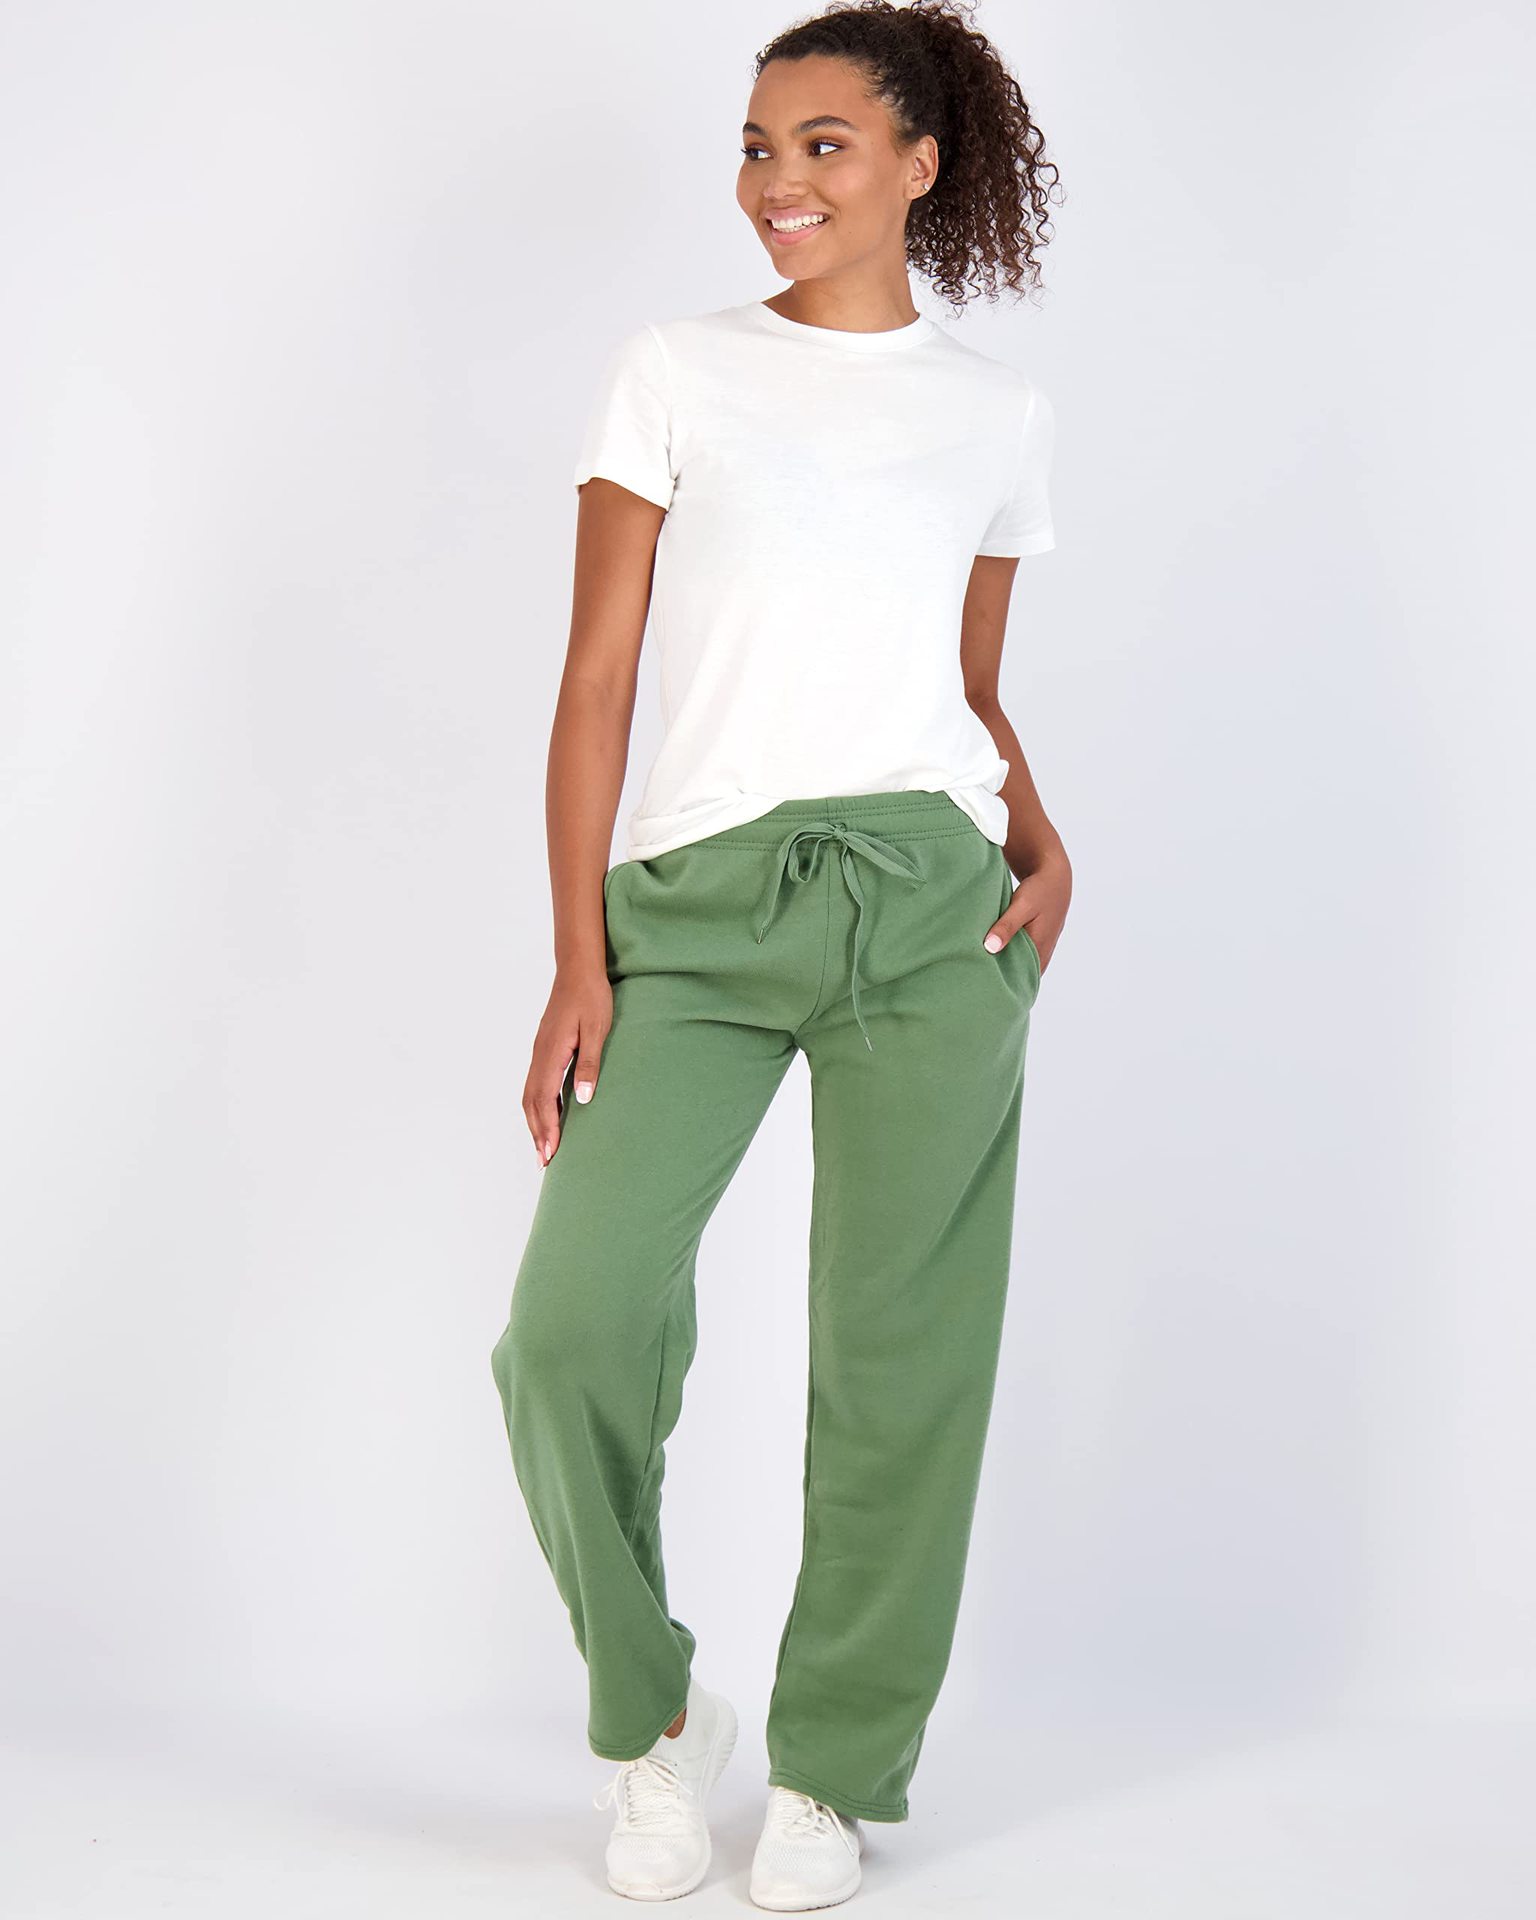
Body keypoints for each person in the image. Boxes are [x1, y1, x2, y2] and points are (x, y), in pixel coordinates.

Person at [490, 2, 1069, 1907]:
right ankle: (656, 1716)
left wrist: (1040, 831)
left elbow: (963, 685)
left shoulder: (996, 415)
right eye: (756, 144)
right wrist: (579, 959)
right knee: (569, 1330)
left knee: (907, 1357)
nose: (777, 181)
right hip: (701, 912)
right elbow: (597, 679)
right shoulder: (675, 370)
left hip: (934, 904)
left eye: (823, 144)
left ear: (920, 164)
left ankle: (833, 1766)